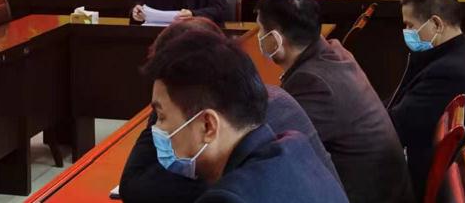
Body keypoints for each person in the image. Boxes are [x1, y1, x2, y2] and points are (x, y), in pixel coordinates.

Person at [119, 18, 337, 203]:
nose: (156, 128)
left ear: (208, 126)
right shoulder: (295, 146)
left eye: (161, 117)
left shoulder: (227, 198)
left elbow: (134, 187)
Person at [256, 0, 414, 203]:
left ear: (275, 38)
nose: (259, 37)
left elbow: (272, 149)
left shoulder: (312, 82)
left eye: (261, 30)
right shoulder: (335, 52)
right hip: (384, 189)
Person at [388, 0, 465, 201]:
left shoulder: (448, 73)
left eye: (410, 25)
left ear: (436, 24)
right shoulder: (457, 52)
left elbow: (396, 128)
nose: (407, 33)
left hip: (411, 186)